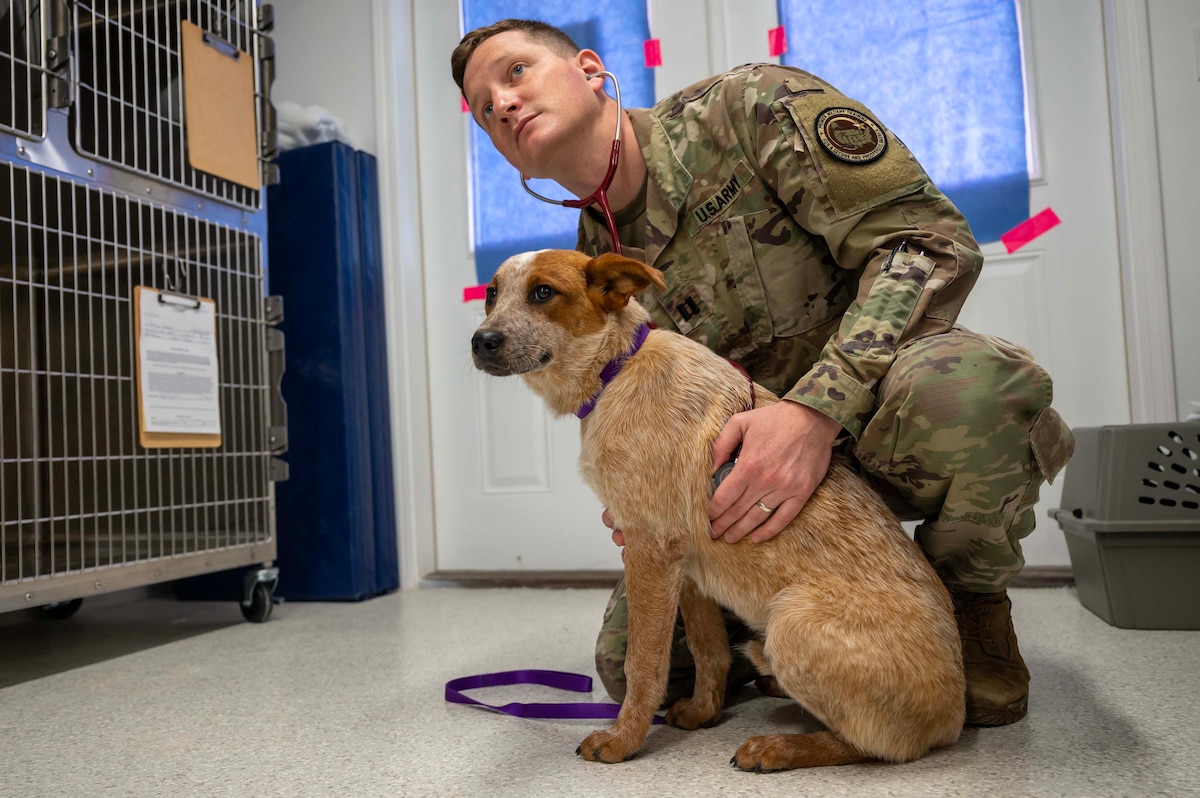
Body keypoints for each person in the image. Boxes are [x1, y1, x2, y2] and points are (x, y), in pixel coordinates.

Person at [451, 18, 1075, 727]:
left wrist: (813, 411)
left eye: (516, 72)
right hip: (747, 488)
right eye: (481, 108)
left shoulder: (750, 109)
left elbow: (927, 243)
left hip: (874, 418)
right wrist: (645, 489)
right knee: (630, 671)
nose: (500, 103)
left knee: (972, 386)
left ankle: (968, 610)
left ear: (591, 70)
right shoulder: (589, 260)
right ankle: (796, 641)